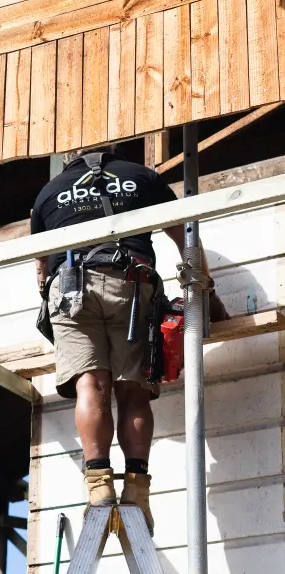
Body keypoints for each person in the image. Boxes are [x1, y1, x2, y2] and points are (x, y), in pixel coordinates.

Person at [30, 147, 227, 534]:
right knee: (133, 392)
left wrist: (48, 298)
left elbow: (39, 267)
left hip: (69, 289)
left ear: (69, 160)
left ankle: (98, 488)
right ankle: (136, 491)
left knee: (90, 384)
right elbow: (185, 235)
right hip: (131, 284)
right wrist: (207, 295)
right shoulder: (142, 177)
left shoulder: (49, 192)